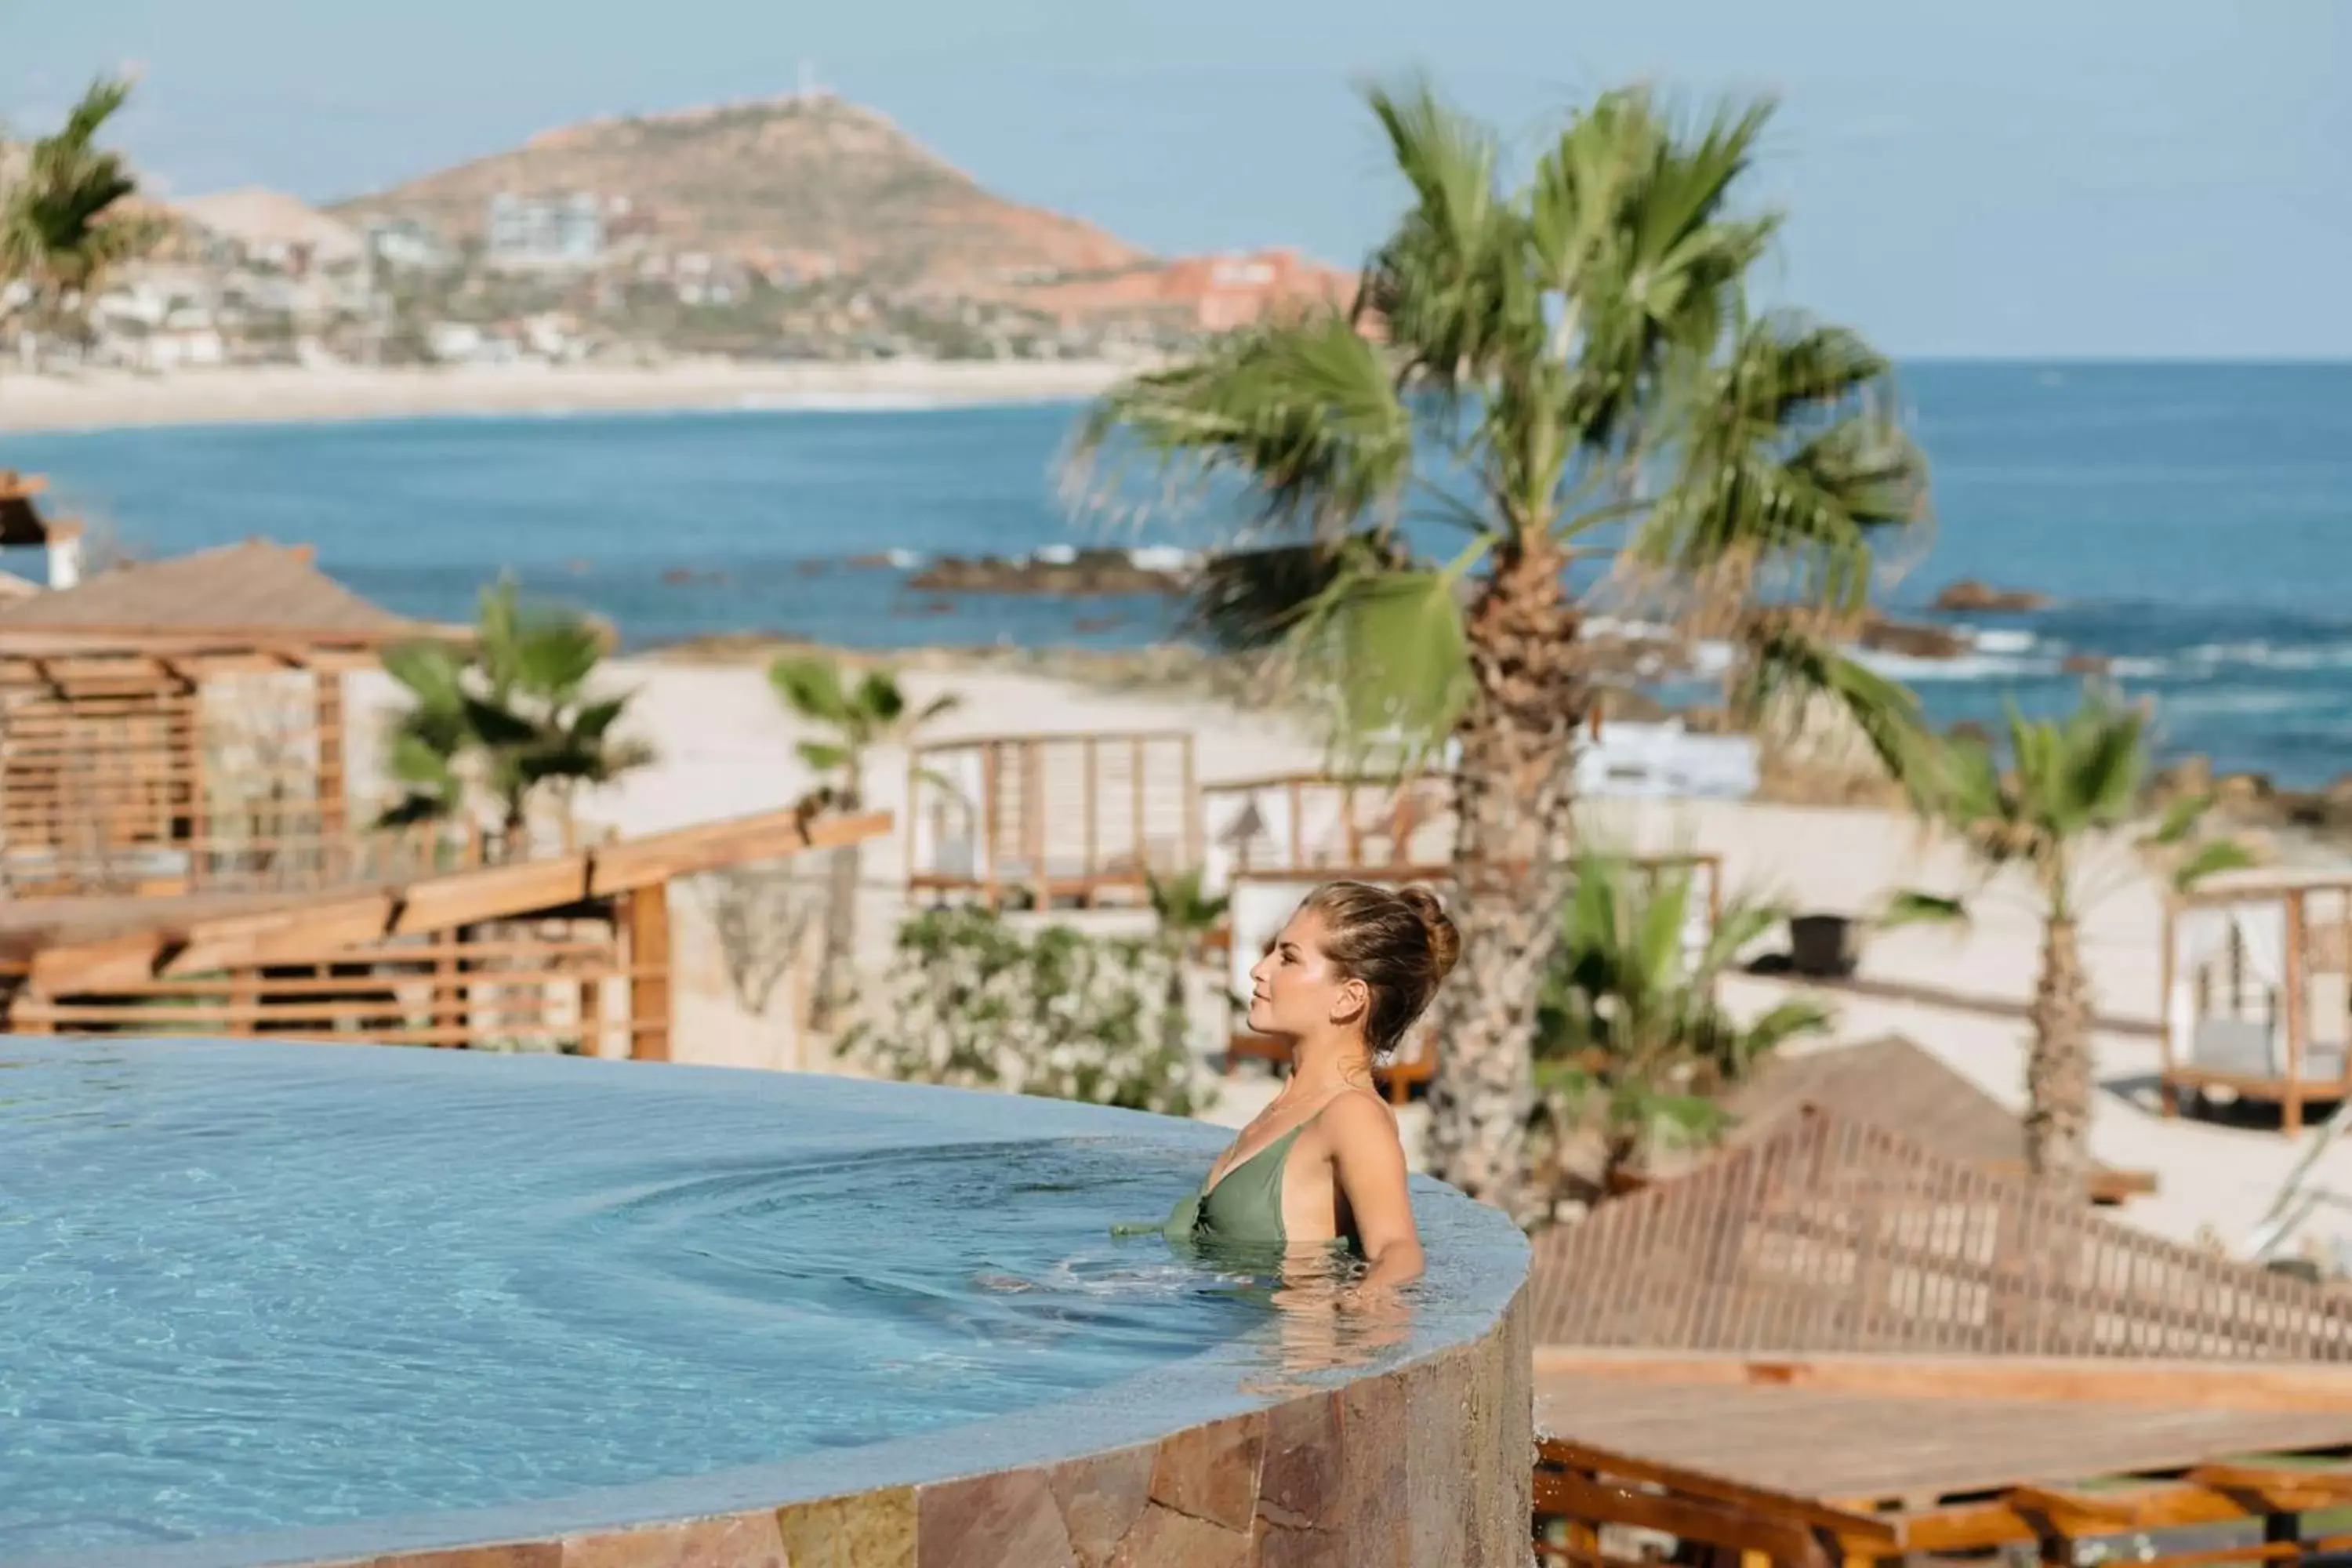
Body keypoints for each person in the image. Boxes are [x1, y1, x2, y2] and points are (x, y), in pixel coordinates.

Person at [1149, 880, 1458, 1296]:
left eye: (1288, 958)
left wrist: (1371, 1311)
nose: (1260, 970)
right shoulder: (1291, 1106)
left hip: (1288, 1355)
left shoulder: (1352, 1115)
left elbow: (1397, 1249)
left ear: (1348, 999)